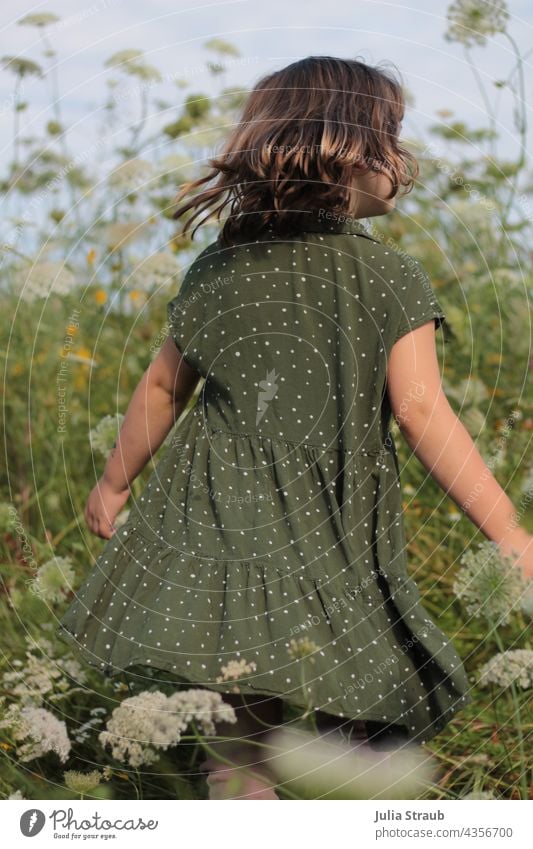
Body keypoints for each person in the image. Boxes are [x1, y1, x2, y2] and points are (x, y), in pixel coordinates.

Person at [57, 55, 533, 801]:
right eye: (392, 138)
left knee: (239, 749)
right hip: (336, 533)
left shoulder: (218, 268)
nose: (402, 161)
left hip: (225, 528)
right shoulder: (389, 278)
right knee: (370, 701)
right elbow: (420, 410)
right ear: (347, 149)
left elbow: (160, 385)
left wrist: (113, 484)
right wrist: (506, 530)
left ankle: (248, 801)